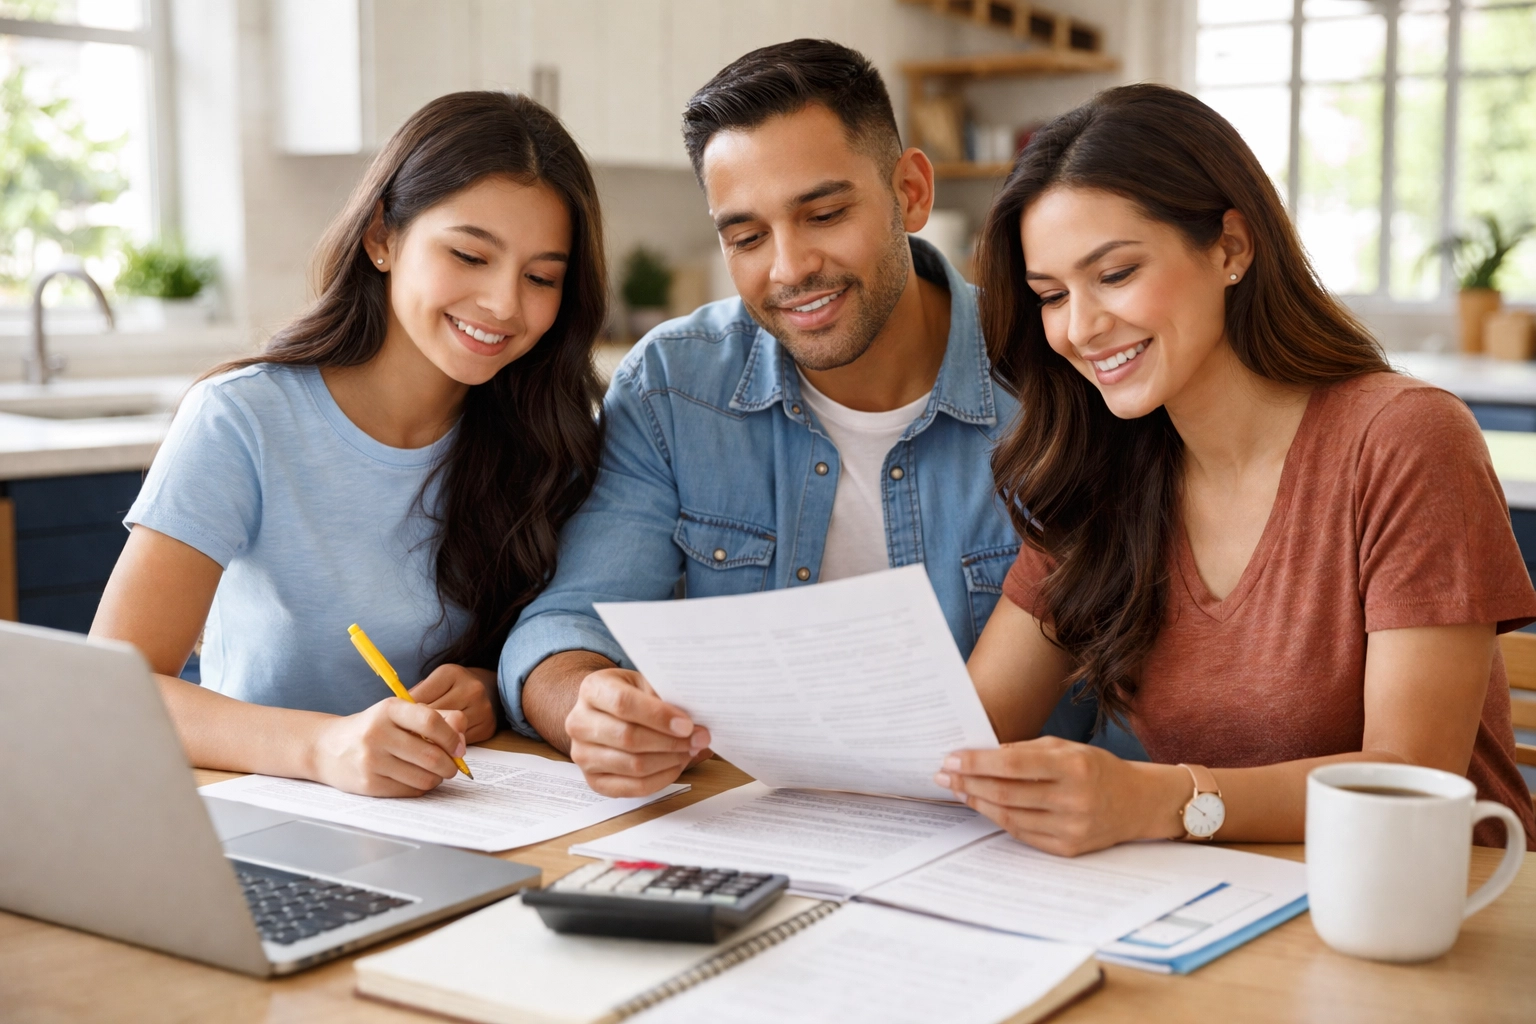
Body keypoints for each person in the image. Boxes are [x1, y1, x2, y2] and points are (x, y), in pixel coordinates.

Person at [501, 40, 1136, 797]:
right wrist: (588, 709)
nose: (789, 267)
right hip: (753, 828)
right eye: (745, 237)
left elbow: (1136, 703)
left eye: (825, 213)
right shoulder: (674, 388)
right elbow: (563, 628)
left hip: (1011, 848)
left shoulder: (1062, 376)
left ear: (910, 192)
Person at [938, 83, 1536, 854]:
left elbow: (1406, 778)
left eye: (1115, 274)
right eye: (1051, 295)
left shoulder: (1404, 439)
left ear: (1231, 247)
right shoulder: (1102, 475)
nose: (1079, 328)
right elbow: (971, 734)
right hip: (1227, 914)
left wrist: (1159, 799)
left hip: (1441, 912)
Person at [90, 92, 607, 797]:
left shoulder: (547, 436)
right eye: (468, 254)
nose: (505, 305)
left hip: (468, 817)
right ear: (381, 237)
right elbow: (117, 691)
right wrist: (324, 746)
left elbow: (554, 641)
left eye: (541, 277)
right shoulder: (242, 419)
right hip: (262, 819)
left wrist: (494, 686)